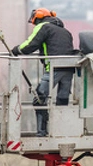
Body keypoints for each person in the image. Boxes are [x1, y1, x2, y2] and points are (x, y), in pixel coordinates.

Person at [11, 8, 75, 136]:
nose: (34, 25)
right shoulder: (65, 31)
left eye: (35, 22)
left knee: (39, 99)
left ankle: (42, 132)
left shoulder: (43, 27)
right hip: (69, 68)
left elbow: (30, 45)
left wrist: (16, 50)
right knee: (62, 101)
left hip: (53, 69)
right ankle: (61, 131)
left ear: (39, 18)